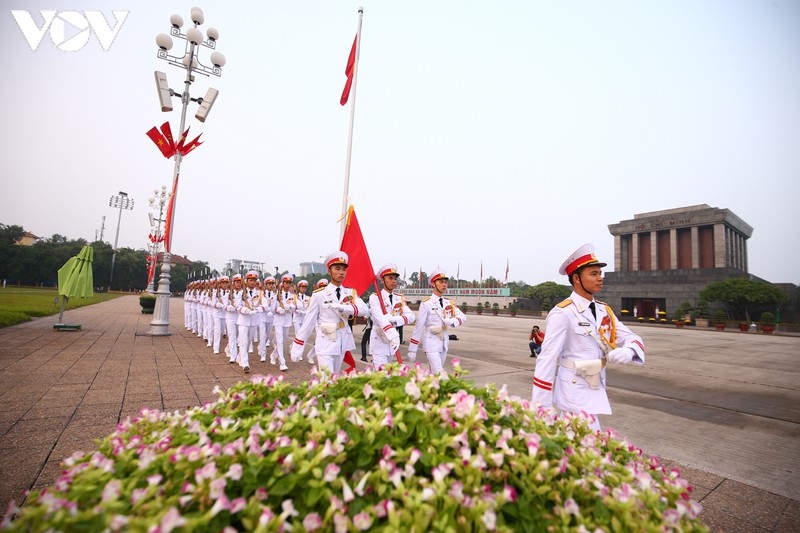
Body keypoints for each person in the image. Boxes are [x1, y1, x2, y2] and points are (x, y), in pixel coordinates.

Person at [531, 243, 646, 431]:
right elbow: (547, 359)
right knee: (585, 445)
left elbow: (632, 337)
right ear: (576, 278)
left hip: (594, 387)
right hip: (573, 394)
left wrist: (629, 350)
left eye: (600, 273)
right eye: (593, 274)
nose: (600, 278)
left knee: (580, 448)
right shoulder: (563, 313)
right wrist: (541, 407)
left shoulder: (603, 310)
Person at [291, 251, 368, 374]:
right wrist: (298, 346)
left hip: (342, 341)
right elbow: (308, 323)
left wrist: (343, 308)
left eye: (343, 269)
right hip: (326, 341)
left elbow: (365, 310)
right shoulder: (319, 295)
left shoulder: (350, 293)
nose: (341, 272)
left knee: (335, 377)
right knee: (328, 380)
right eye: (337, 268)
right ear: (329, 271)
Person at [408, 269, 466, 376]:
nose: (444, 285)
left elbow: (462, 317)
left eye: (445, 282)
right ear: (434, 284)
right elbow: (418, 327)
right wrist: (412, 349)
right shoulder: (426, 304)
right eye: (441, 282)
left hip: (443, 343)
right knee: (440, 374)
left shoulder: (448, 302)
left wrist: (452, 321)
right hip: (431, 343)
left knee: (433, 375)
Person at [369, 263, 415, 369]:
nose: (393, 281)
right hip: (379, 342)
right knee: (381, 376)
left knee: (389, 375)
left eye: (395, 278)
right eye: (390, 278)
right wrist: (393, 334)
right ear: (382, 280)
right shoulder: (375, 297)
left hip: (392, 344)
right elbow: (379, 318)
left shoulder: (399, 298)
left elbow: (411, 316)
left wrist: (394, 319)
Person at [270, 273, 295, 371]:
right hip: (279, 320)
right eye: (286, 282)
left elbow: (295, 306)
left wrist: (290, 307)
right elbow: (272, 309)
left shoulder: (292, 296)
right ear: (282, 283)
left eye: (289, 283)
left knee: (283, 340)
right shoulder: (276, 296)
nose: (288, 285)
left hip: (287, 320)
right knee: (279, 340)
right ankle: (282, 362)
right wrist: (278, 310)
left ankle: (274, 354)